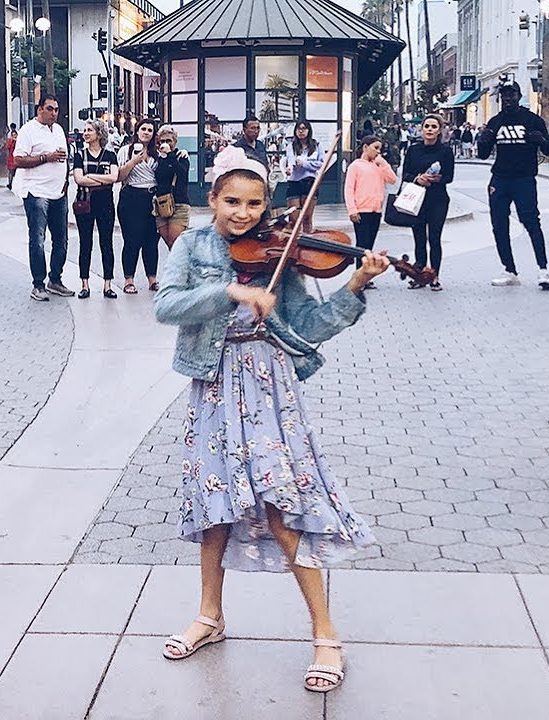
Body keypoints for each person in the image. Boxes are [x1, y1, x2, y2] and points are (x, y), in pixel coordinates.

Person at [152, 146, 386, 694]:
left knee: (284, 504)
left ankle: (326, 634)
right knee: (214, 506)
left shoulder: (283, 252)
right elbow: (165, 306)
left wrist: (354, 286)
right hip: (212, 382)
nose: (243, 213)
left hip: (268, 385)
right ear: (211, 199)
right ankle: (210, 616)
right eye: (231, 201)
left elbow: (311, 323)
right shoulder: (193, 244)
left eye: (254, 203)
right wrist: (228, 289)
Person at [476, 79, 549, 290]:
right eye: (505, 95)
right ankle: (509, 269)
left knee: (531, 222)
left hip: (524, 178)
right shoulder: (495, 121)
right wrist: (483, 140)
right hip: (500, 179)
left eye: (512, 95)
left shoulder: (532, 120)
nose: (508, 99)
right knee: (499, 225)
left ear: (519, 96)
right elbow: (483, 155)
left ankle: (543, 269)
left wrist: (540, 140)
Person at [12, 94, 73, 301]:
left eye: (56, 109)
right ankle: (38, 284)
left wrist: (65, 179)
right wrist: (45, 158)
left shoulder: (58, 130)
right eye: (50, 109)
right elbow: (18, 159)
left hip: (59, 192)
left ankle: (55, 279)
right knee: (38, 240)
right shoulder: (28, 130)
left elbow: (64, 157)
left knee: (61, 240)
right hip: (36, 192)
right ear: (40, 110)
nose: (54, 113)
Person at [401, 113, 454, 291]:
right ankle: (419, 274)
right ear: (421, 129)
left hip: (437, 199)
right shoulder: (413, 149)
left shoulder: (445, 151)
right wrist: (418, 178)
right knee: (419, 239)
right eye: (427, 126)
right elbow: (405, 175)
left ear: (439, 130)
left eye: (433, 127)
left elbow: (449, 177)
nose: (429, 130)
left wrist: (435, 179)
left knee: (434, 238)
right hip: (417, 199)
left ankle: (434, 275)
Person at [72, 118, 119, 299]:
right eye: (85, 130)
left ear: (99, 134)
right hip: (85, 203)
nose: (85, 133)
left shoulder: (110, 155)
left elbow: (114, 177)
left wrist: (90, 175)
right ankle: (85, 284)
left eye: (89, 130)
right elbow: (78, 179)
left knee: (106, 243)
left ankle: (108, 284)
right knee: (85, 243)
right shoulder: (79, 155)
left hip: (105, 204)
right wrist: (101, 178)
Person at [343, 136, 397, 289]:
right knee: (362, 245)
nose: (378, 151)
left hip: (376, 209)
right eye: (375, 148)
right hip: (361, 209)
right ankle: (359, 276)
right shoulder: (355, 166)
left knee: (370, 245)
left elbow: (392, 179)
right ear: (365, 147)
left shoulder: (378, 165)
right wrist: (352, 209)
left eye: (380, 148)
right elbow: (348, 189)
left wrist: (383, 163)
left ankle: (366, 276)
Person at [117, 118, 161, 294]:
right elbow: (119, 176)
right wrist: (134, 161)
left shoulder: (157, 153)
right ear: (137, 131)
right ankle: (129, 279)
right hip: (131, 196)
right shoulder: (125, 151)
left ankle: (152, 279)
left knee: (152, 241)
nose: (146, 133)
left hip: (152, 198)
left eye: (150, 130)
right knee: (132, 240)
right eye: (143, 129)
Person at [284, 121, 327, 234]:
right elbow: (291, 161)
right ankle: (293, 243)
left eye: (304, 128)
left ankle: (307, 242)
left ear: (309, 130)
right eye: (299, 129)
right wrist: (290, 168)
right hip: (294, 182)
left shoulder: (316, 145)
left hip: (309, 182)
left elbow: (321, 164)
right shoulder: (291, 146)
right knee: (294, 218)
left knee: (307, 217)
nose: (301, 131)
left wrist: (305, 164)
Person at [154, 126, 192, 251]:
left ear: (175, 141)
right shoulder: (157, 159)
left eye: (169, 140)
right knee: (171, 246)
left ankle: (181, 269)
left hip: (179, 204)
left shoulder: (181, 156)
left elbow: (182, 173)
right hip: (162, 205)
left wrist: (170, 154)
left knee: (175, 244)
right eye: (162, 141)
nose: (165, 144)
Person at [5, 126, 18, 191]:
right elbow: (7, 147)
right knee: (10, 172)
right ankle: (10, 183)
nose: (14, 136)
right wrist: (12, 141)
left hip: (16, 157)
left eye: (15, 135)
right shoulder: (10, 141)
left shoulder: (19, 141)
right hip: (11, 157)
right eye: (13, 135)